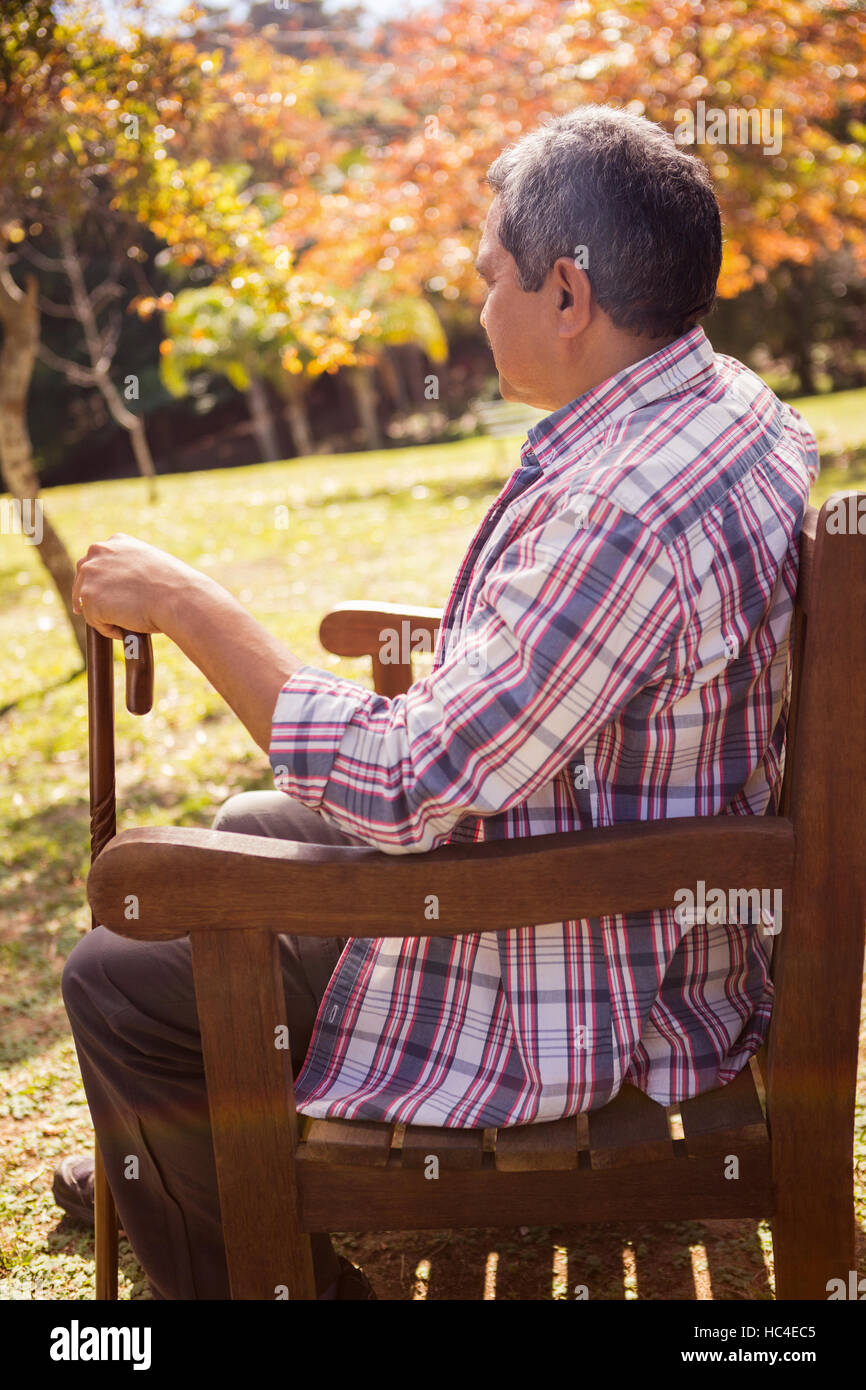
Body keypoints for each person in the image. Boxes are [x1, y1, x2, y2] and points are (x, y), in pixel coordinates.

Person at [54, 104, 819, 1299]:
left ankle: (254, 1276)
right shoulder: (727, 410)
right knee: (245, 827)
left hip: (589, 985)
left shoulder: (622, 510)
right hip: (637, 899)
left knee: (119, 965)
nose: (474, 307)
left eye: (488, 277)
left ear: (567, 295)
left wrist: (191, 605)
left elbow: (412, 787)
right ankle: (174, 1146)